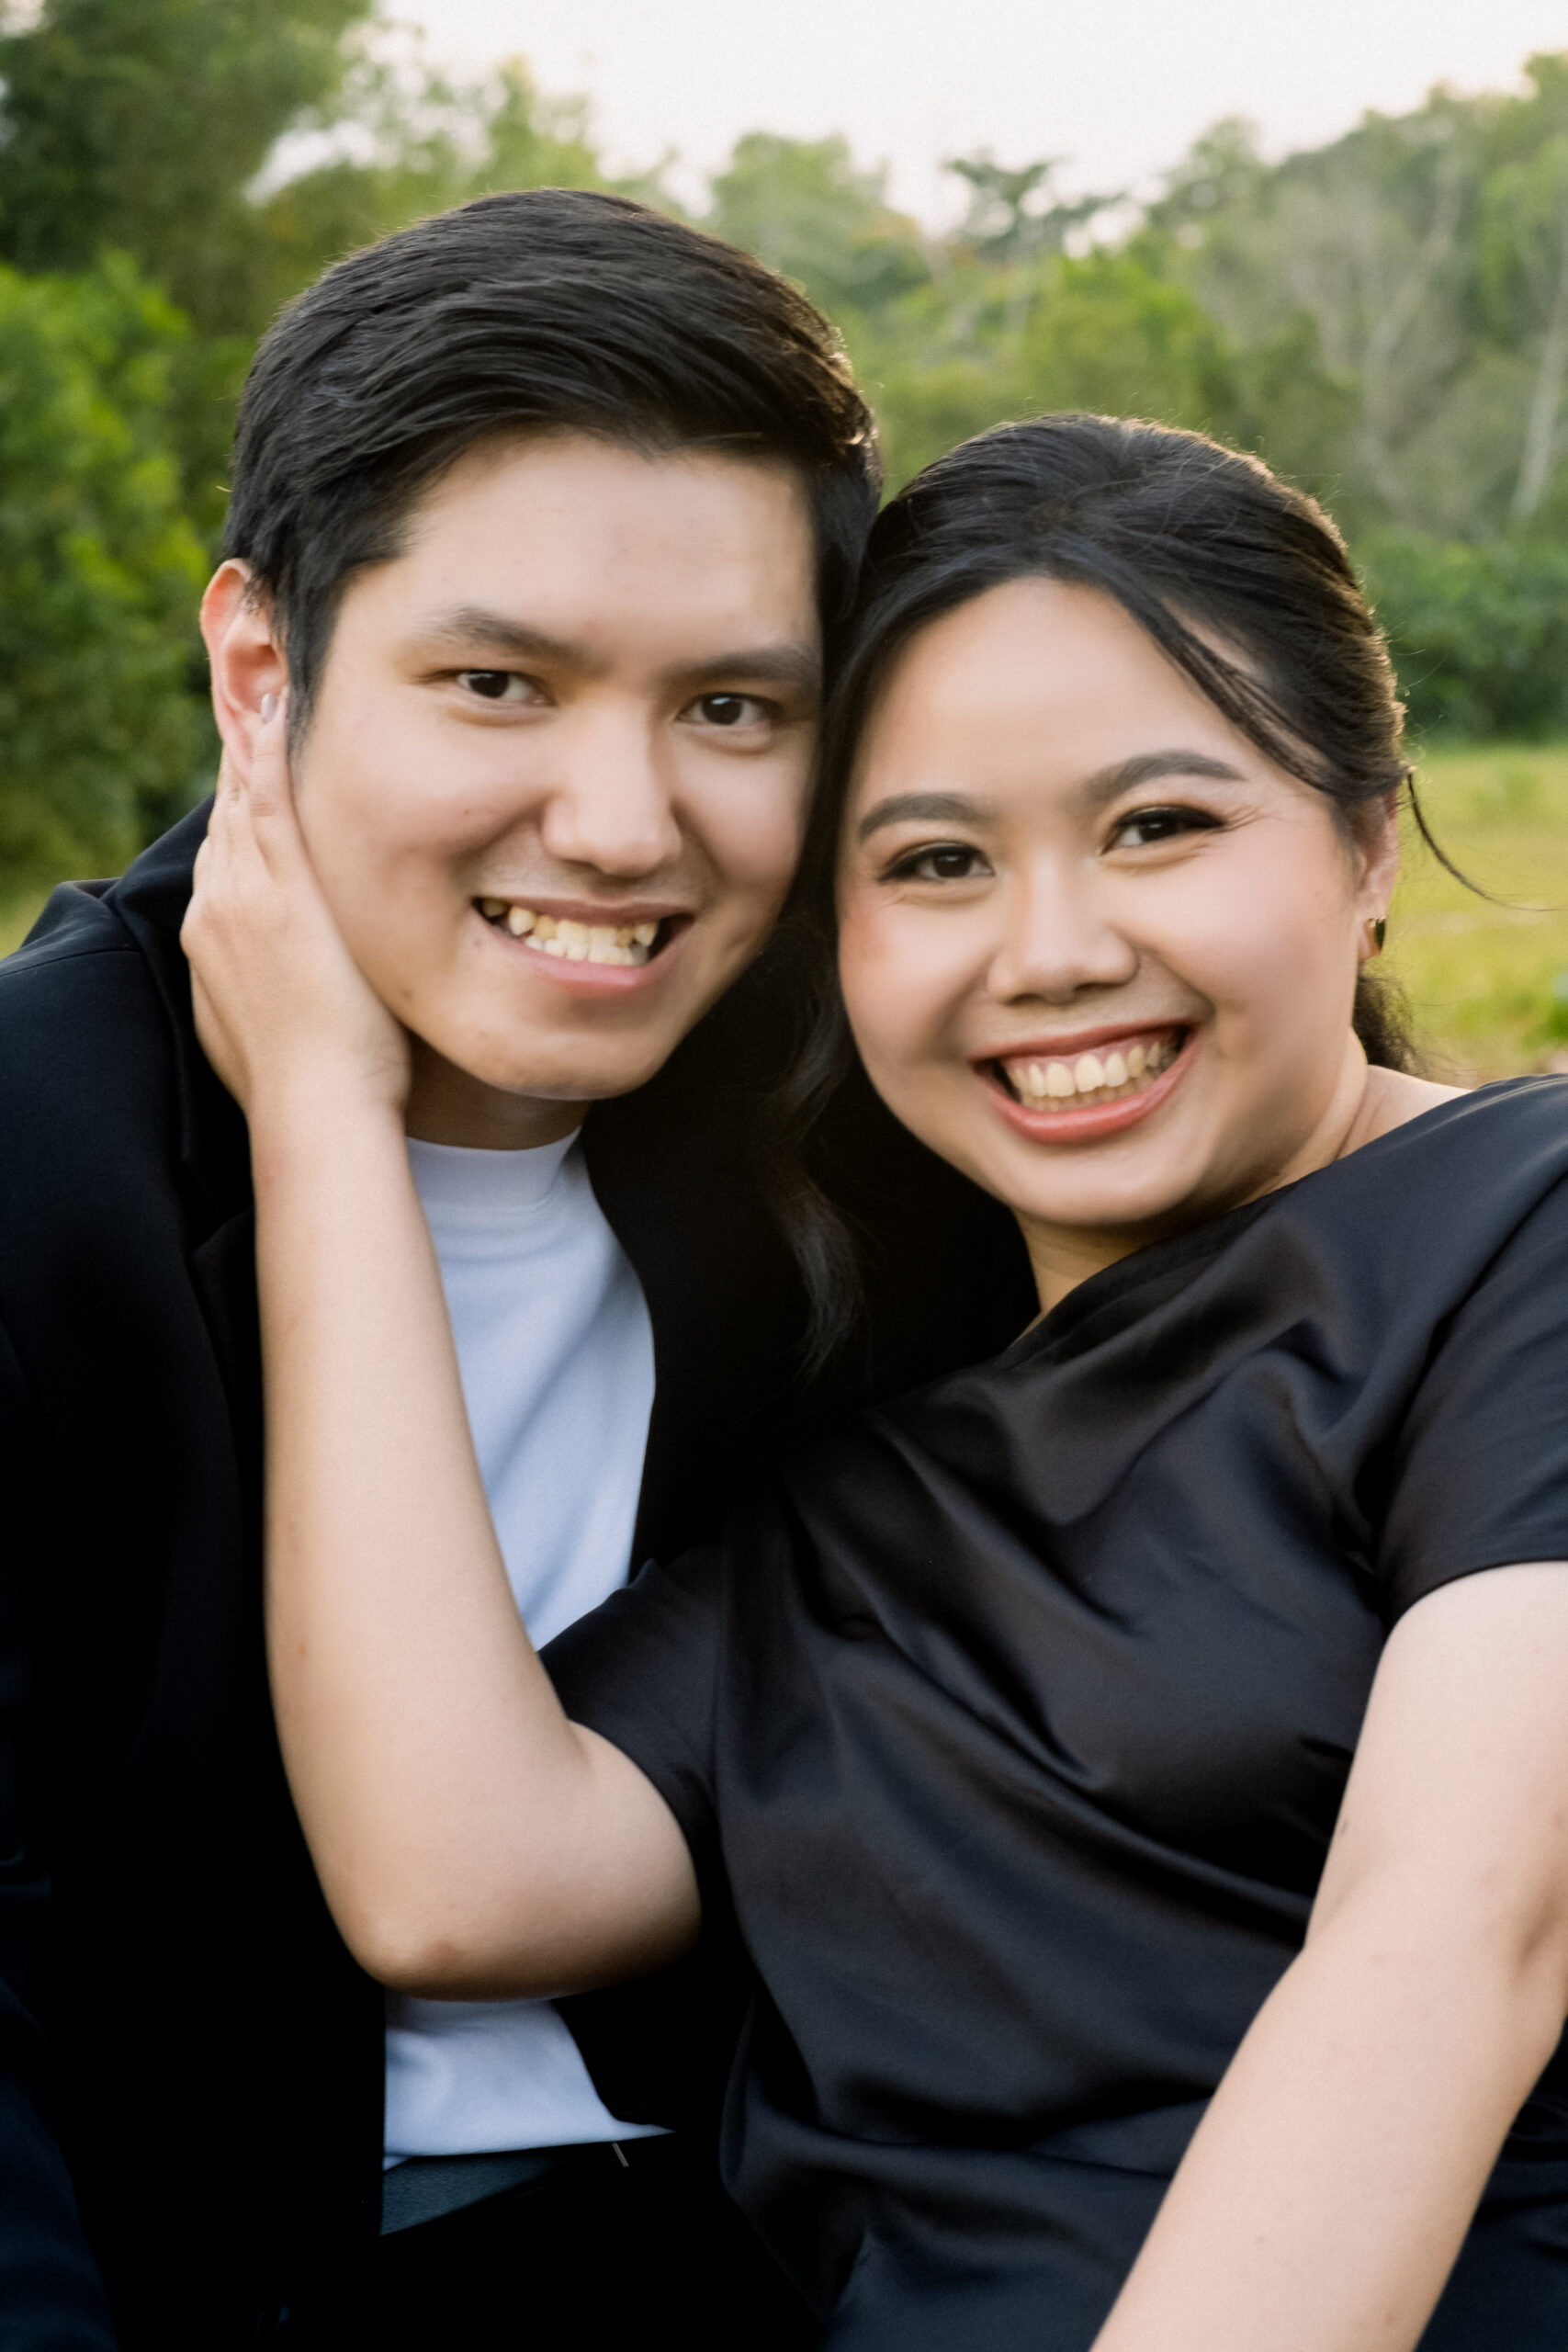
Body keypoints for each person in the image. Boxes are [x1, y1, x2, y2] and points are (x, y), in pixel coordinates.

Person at [186, 410, 1568, 2352]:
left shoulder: (1519, 1228)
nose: (1051, 952)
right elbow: (457, 1880)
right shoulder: (858, 1507)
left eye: (1158, 826)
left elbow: (1457, 1936)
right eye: (934, 861)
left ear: (1364, 842)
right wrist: (322, 1105)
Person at [0, 191, 1030, 2349]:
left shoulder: (893, 1117)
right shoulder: (37, 1152)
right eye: (497, 684)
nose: (622, 822)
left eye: (731, 707)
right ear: (261, 670)